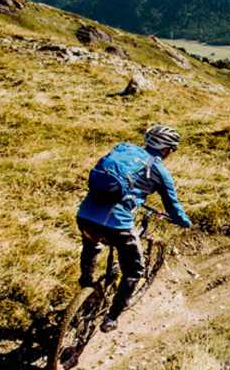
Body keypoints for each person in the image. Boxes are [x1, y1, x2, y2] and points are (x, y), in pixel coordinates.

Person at [76, 125, 192, 333]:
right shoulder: (159, 171)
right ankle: (112, 317)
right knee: (134, 270)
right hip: (117, 226)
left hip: (85, 216)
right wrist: (184, 222)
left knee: (92, 244)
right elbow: (173, 207)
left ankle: (86, 283)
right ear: (166, 149)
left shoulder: (122, 149)